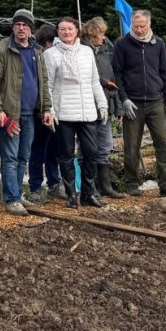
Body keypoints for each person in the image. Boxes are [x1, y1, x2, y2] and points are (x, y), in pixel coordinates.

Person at [0, 9, 54, 217]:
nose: (21, 27)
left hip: (30, 113)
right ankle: (12, 198)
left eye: (25, 25)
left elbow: (43, 82)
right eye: (17, 24)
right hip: (10, 114)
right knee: (10, 157)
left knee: (24, 156)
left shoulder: (36, 51)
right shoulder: (2, 49)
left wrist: (47, 108)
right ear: (13, 27)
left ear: (31, 28)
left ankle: (16, 193)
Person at [112, 9, 166, 198]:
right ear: (131, 24)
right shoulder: (122, 44)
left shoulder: (158, 44)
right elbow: (117, 73)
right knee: (132, 144)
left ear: (149, 24)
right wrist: (124, 98)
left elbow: (165, 73)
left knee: (162, 142)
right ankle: (132, 181)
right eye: (136, 26)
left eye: (142, 26)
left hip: (156, 100)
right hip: (133, 101)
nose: (139, 30)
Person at [43, 17, 107, 208]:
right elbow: (48, 85)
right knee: (66, 154)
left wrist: (101, 103)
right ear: (58, 32)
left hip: (87, 111)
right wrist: (50, 109)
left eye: (70, 29)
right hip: (64, 113)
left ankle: (88, 193)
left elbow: (94, 80)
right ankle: (72, 194)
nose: (66, 32)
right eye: (62, 29)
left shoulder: (87, 52)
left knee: (91, 153)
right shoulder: (51, 54)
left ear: (76, 31)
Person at [81, 17, 125, 199]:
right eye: (101, 33)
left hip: (106, 105)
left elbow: (113, 82)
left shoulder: (104, 53)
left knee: (105, 146)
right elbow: (90, 78)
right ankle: (90, 187)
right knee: (88, 148)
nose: (103, 37)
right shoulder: (84, 52)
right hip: (89, 106)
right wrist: (104, 83)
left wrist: (118, 107)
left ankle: (105, 186)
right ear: (92, 34)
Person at [28, 23, 64, 202]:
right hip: (40, 109)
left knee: (54, 149)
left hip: (57, 108)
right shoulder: (36, 55)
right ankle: (35, 187)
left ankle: (54, 183)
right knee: (38, 149)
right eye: (49, 43)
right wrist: (43, 108)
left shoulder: (58, 55)